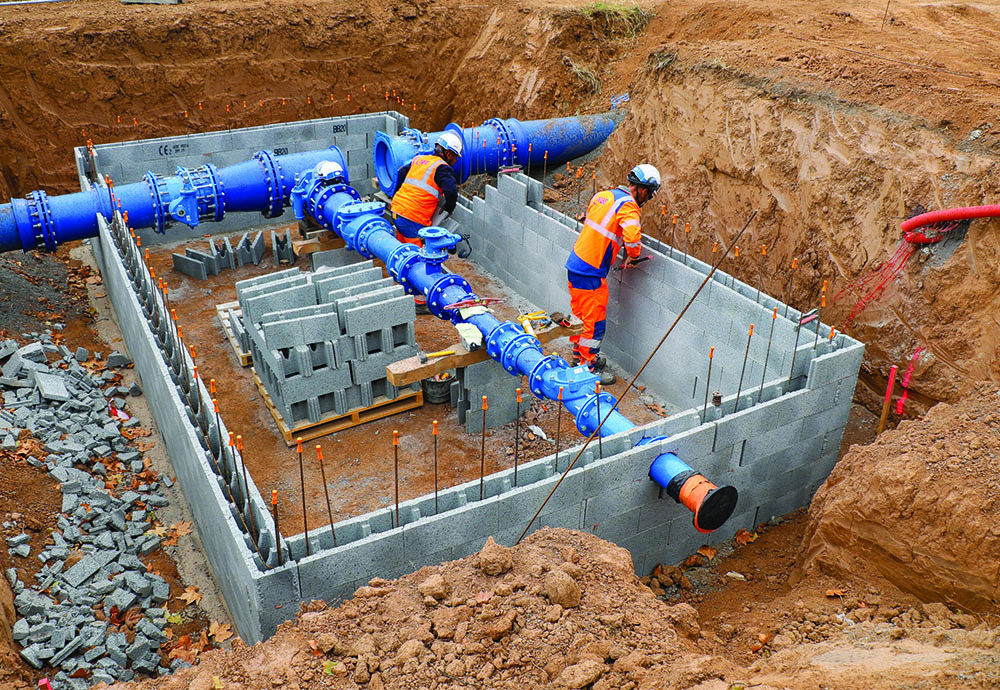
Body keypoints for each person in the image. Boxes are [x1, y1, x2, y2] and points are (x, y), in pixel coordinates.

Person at [564, 163, 661, 385]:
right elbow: (633, 237)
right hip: (591, 271)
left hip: (576, 263)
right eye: (650, 195)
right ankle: (586, 371)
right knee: (595, 323)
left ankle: (579, 357)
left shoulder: (604, 195)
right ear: (644, 189)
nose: (647, 199)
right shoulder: (629, 206)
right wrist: (633, 255)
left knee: (580, 317)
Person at [389, 131, 463, 313]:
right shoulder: (442, 168)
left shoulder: (419, 160)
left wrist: (400, 197)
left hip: (398, 209)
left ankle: (403, 285)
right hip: (413, 216)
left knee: (403, 249)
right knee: (419, 258)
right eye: (455, 158)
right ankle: (420, 299)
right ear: (449, 153)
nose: (454, 162)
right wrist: (448, 208)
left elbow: (400, 173)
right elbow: (451, 193)